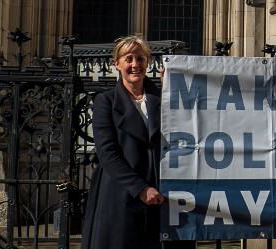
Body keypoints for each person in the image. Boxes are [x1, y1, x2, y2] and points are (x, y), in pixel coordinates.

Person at [82, 34, 193, 249]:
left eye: (141, 59)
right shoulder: (106, 101)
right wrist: (140, 188)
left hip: (162, 193)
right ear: (117, 64)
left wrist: (171, 92)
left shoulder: (161, 99)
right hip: (122, 192)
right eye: (129, 59)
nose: (135, 65)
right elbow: (107, 153)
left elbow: (185, 133)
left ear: (148, 62)